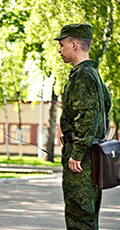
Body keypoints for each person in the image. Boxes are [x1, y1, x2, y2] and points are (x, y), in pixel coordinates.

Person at [55, 24, 111, 229]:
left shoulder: (82, 76)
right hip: (91, 151)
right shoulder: (93, 74)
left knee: (79, 212)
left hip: (82, 158)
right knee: (87, 212)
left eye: (62, 45)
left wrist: (77, 152)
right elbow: (106, 106)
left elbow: (87, 116)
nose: (60, 50)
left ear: (74, 44)